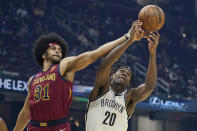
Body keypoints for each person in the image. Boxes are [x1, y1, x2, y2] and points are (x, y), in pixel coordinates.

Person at [13, 20, 143, 131]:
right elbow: (26, 112)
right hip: (34, 127)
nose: (58, 50)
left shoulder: (64, 65)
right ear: (43, 54)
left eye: (60, 49)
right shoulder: (33, 79)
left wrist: (126, 37)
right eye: (53, 48)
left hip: (57, 126)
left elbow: (94, 54)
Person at [86, 28, 160, 131]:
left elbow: (149, 87)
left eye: (128, 74)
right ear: (112, 75)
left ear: (129, 82)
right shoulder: (100, 89)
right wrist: (130, 40)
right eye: (121, 71)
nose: (124, 73)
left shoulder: (129, 98)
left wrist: (152, 54)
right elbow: (105, 64)